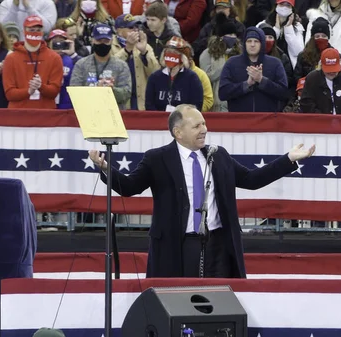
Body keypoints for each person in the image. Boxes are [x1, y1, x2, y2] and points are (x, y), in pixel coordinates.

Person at [88, 104, 315, 278]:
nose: (204, 130)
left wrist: (288, 160)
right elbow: (130, 187)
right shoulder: (157, 159)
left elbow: (251, 179)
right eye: (197, 126)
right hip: (178, 247)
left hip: (218, 246)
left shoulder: (218, 155)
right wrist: (106, 169)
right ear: (178, 132)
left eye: (204, 124)